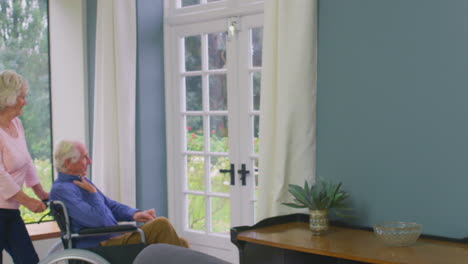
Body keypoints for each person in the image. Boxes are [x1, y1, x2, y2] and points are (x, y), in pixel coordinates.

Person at [49, 140, 188, 249]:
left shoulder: (80, 181)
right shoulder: (62, 191)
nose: (90, 161)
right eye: (85, 157)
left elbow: (110, 206)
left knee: (180, 243)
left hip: (115, 239)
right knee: (161, 225)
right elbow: (98, 221)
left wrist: (134, 214)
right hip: (102, 245)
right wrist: (93, 193)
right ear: (68, 162)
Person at [0, 70, 49, 264]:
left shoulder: (16, 124)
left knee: (28, 260)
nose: (25, 102)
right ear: (8, 98)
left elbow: (26, 160)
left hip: (10, 211)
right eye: (22, 97)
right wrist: (27, 201)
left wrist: (41, 193)